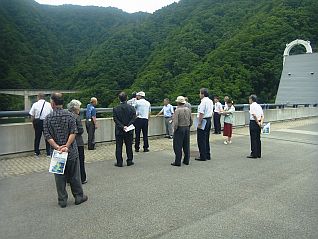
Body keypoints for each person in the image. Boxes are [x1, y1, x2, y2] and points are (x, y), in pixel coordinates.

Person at [44, 93, 88, 208]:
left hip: (57, 153)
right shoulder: (70, 116)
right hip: (71, 151)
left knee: (59, 176)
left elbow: (48, 136)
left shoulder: (48, 118)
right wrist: (66, 146)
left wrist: (57, 147)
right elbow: (73, 132)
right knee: (74, 175)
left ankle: (62, 200)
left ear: (53, 103)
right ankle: (79, 196)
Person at [113, 92, 136, 167]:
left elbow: (115, 119)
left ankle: (119, 162)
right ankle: (129, 160)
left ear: (119, 98)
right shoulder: (131, 108)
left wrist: (122, 126)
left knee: (119, 146)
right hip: (129, 130)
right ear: (127, 98)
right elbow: (133, 118)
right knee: (129, 145)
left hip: (119, 130)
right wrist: (127, 126)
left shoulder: (116, 108)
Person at [67, 99, 87, 184]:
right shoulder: (77, 117)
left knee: (69, 161)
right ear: (75, 109)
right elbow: (80, 130)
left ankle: (69, 179)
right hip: (78, 142)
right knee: (80, 161)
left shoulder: (66, 116)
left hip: (68, 142)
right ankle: (82, 178)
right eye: (79, 108)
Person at [29, 93, 53, 158]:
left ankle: (37, 153)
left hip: (38, 122)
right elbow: (52, 113)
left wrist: (32, 123)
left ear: (38, 97)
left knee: (37, 137)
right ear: (44, 97)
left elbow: (32, 115)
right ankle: (48, 153)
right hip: (46, 121)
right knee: (47, 137)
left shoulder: (35, 104)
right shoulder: (48, 104)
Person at [171, 96, 193, 167]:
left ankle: (177, 161)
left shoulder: (177, 110)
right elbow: (191, 120)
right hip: (187, 128)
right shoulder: (188, 109)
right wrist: (189, 126)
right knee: (186, 145)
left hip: (180, 128)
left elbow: (176, 122)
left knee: (177, 145)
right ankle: (186, 160)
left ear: (178, 102)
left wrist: (175, 129)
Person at [195, 88, 213, 161]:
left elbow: (201, 113)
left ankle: (202, 156)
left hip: (203, 120)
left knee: (201, 139)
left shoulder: (203, 102)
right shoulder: (210, 101)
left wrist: (199, 123)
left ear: (203, 94)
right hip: (208, 119)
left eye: (200, 93)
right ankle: (207, 154)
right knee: (206, 138)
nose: (199, 95)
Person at [247, 94, 264, 158]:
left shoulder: (252, 106)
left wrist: (257, 122)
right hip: (259, 122)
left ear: (251, 99)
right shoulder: (259, 105)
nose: (249, 100)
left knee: (253, 138)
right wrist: (260, 123)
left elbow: (254, 115)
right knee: (258, 138)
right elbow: (262, 115)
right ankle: (258, 153)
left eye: (249, 99)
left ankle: (254, 154)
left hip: (254, 122)